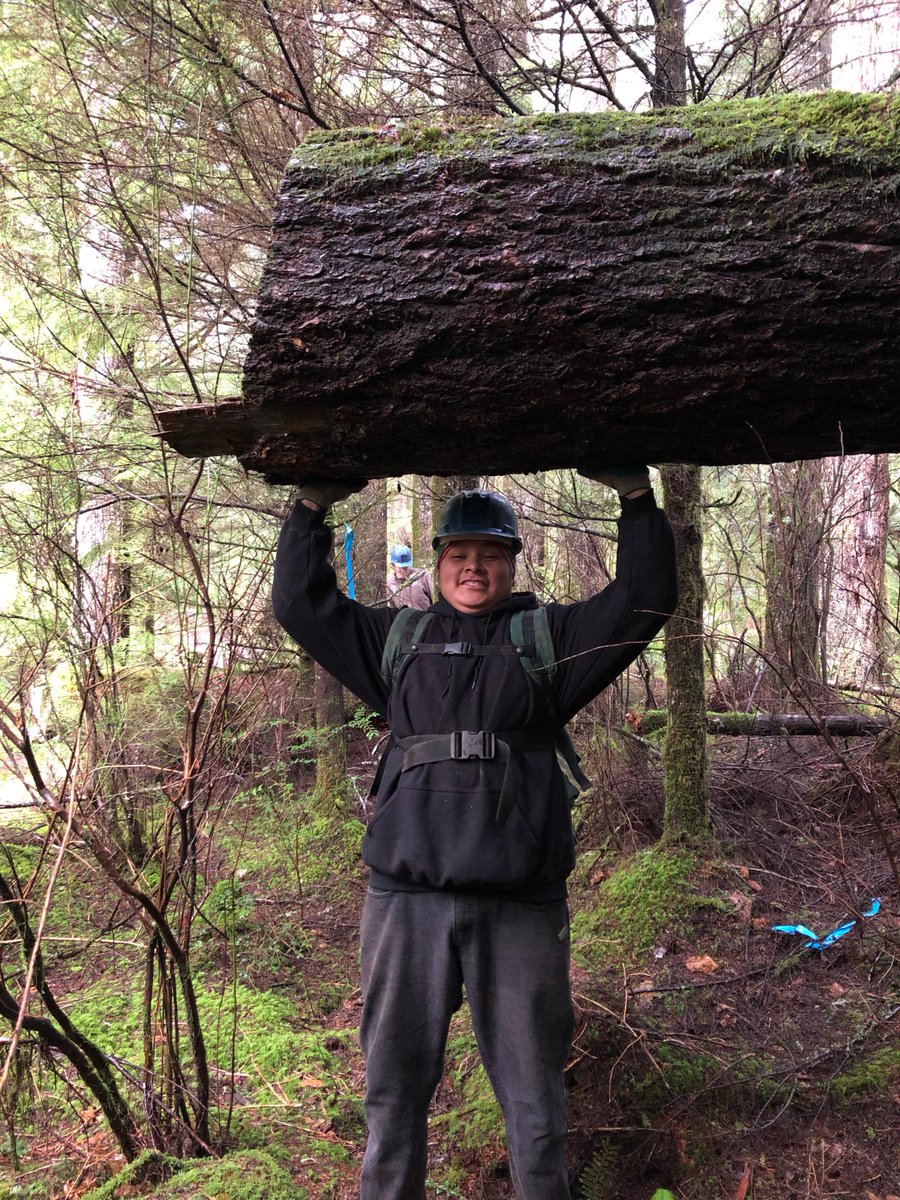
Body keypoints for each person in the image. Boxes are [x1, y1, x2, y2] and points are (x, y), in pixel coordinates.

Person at [272, 470, 677, 1200]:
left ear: (513, 562)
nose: (472, 566)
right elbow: (302, 604)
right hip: (406, 903)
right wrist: (309, 507)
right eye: (458, 551)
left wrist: (636, 499)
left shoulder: (548, 641)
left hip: (519, 908)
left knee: (534, 1103)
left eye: (489, 553)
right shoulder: (398, 642)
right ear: (438, 560)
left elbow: (643, 598)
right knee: (392, 1098)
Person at [386, 543, 433, 611]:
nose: (402, 570)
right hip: (404, 620)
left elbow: (435, 600)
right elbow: (392, 609)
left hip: (426, 618)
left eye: (405, 567)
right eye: (400, 567)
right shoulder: (390, 584)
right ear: (393, 565)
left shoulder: (423, 576)